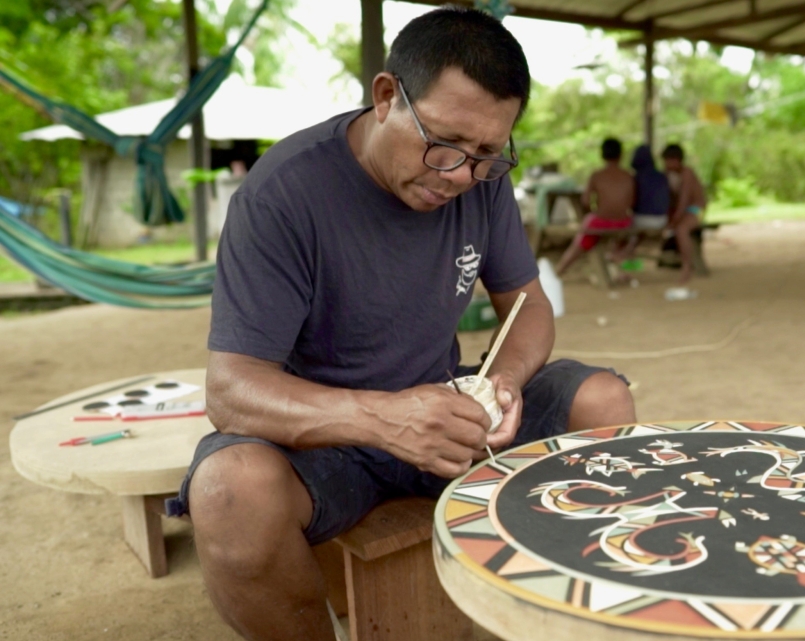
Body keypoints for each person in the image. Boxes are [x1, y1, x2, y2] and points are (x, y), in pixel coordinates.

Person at [166, 9, 636, 641]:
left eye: (487, 154)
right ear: (386, 97)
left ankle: (568, 621)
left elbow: (528, 306)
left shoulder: (481, 181)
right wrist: (384, 419)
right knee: (230, 491)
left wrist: (499, 385)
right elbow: (231, 391)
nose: (458, 176)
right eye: (443, 143)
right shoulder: (282, 195)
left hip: (447, 413)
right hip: (324, 441)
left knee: (604, 400)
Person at [554, 137, 634, 276]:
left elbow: (585, 201)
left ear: (602, 155)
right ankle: (620, 268)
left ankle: (559, 270)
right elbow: (632, 202)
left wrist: (597, 211)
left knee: (581, 238)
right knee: (624, 241)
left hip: (601, 221)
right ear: (621, 155)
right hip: (624, 222)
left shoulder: (597, 175)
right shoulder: (629, 176)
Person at [662, 143, 707, 282]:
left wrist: (676, 218)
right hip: (680, 211)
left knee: (682, 230)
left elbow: (684, 199)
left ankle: (687, 266)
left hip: (696, 209)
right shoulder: (669, 175)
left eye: (669, 161)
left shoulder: (687, 173)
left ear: (677, 160)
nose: (666, 164)